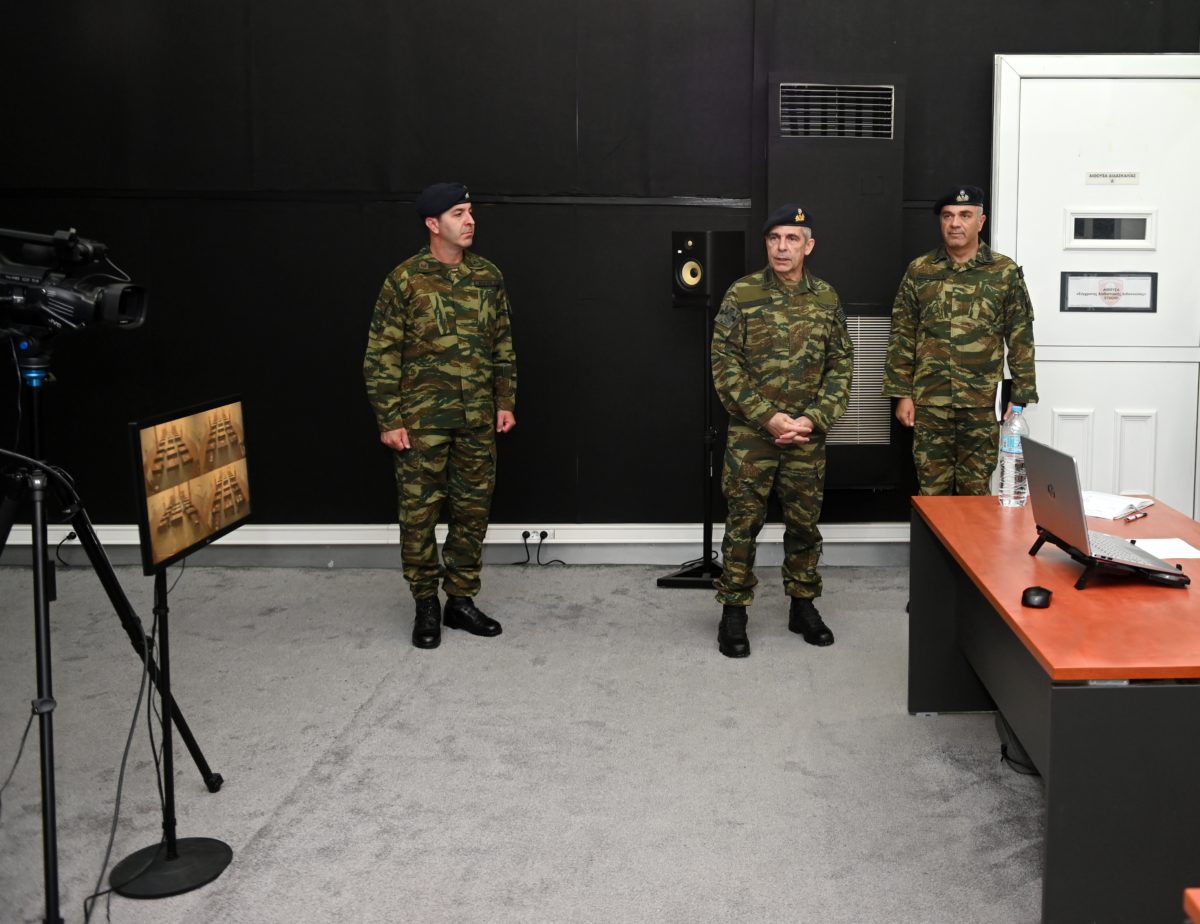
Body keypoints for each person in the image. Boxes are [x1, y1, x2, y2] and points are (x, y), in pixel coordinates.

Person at [363, 182, 517, 649]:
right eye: (458, 213)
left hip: (476, 419)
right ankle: (425, 602)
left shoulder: (488, 276)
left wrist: (505, 400)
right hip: (421, 423)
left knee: (473, 512)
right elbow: (381, 354)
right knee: (419, 516)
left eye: (470, 212)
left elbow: (502, 343)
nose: (470, 221)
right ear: (433, 223)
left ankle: (461, 600)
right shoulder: (405, 280)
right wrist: (389, 418)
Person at [710, 204, 854, 658]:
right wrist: (765, 416)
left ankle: (803, 605)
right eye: (774, 239)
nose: (782, 247)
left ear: (809, 246)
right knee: (742, 523)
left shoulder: (826, 298)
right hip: (752, 435)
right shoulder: (743, 294)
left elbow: (841, 365)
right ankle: (734, 610)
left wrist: (814, 418)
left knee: (804, 524)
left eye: (792, 239)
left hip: (806, 435)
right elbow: (724, 363)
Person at [883, 184, 1037, 496]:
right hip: (930, 401)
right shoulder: (920, 270)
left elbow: (1020, 334)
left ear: (981, 222)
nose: (955, 223)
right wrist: (902, 394)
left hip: (981, 404)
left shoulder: (1004, 272)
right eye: (948, 216)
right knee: (931, 493)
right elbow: (902, 333)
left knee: (975, 493)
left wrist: (1020, 395)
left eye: (965, 215)